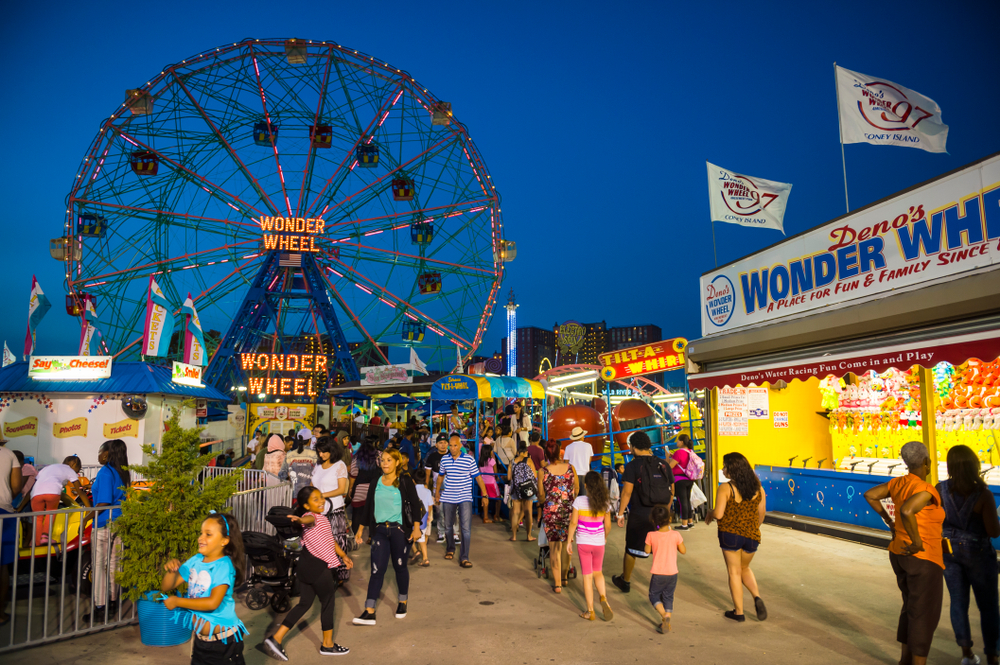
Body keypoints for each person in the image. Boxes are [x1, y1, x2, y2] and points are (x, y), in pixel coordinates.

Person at [864, 441, 945, 665]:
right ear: (927, 462)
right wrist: (917, 541)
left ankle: (905, 660)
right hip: (923, 558)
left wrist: (889, 521)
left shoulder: (898, 483)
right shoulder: (926, 489)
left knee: (910, 608)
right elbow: (907, 510)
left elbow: (870, 495)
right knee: (924, 614)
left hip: (899, 554)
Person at [264, 486, 353, 659]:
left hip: (305, 566)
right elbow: (307, 520)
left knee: (304, 604)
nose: (321, 501)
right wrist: (299, 520)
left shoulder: (321, 518)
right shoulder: (312, 517)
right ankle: (327, 645)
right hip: (318, 568)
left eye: (321, 497)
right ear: (306, 505)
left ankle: (276, 638)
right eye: (315, 499)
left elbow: (330, 540)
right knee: (328, 602)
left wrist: (343, 556)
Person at [936, 445, 1000, 665]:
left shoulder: (940, 489)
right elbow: (993, 531)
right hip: (978, 554)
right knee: (988, 606)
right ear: (974, 465)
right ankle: (992, 656)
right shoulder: (983, 494)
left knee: (958, 602)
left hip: (948, 551)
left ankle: (967, 655)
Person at [161, 512, 247, 665]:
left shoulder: (223, 566)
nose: (201, 538)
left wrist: (177, 601)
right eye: (201, 533)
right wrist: (171, 571)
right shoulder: (196, 560)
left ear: (224, 540)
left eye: (208, 534)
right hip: (201, 642)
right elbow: (167, 586)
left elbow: (212, 603)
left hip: (223, 643)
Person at [353, 449, 423, 625]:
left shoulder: (405, 480)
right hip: (380, 531)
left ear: (397, 462)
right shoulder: (376, 481)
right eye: (383, 460)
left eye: (389, 460)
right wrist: (360, 528)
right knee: (377, 570)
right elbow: (368, 506)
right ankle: (369, 611)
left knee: (400, 567)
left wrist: (416, 528)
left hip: (399, 531)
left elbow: (415, 505)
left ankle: (402, 601)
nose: (385, 463)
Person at [705, 451, 766, 623]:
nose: (723, 469)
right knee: (744, 568)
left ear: (733, 469)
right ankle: (756, 596)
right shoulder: (758, 489)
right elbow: (761, 514)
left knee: (734, 572)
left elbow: (719, 514)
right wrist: (751, 529)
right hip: (752, 536)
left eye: (725, 466)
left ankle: (739, 612)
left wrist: (710, 512)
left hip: (730, 535)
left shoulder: (726, 488)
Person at [612, 432, 672, 595]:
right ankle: (661, 585)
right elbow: (671, 490)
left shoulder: (632, 466)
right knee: (660, 549)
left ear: (633, 447)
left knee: (632, 547)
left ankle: (625, 581)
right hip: (661, 513)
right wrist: (666, 511)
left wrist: (620, 513)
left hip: (640, 513)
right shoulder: (663, 464)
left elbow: (627, 492)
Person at [85, 440, 130, 623]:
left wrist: (86, 519)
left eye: (100, 451)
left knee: (99, 567)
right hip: (119, 522)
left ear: (106, 453)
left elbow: (103, 502)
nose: (98, 455)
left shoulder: (105, 472)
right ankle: (112, 603)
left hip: (104, 523)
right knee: (114, 566)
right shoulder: (122, 472)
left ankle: (99, 607)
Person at [435, 433, 489, 567]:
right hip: (448, 496)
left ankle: (464, 557)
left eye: (455, 445)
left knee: (465, 529)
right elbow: (441, 476)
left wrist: (485, 494)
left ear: (460, 446)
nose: (452, 448)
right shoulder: (445, 459)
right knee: (448, 526)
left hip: (465, 497)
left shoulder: (469, 460)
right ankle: (450, 549)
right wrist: (437, 493)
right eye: (450, 445)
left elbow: (478, 477)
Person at [567, 471, 613, 622]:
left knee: (587, 576)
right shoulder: (605, 502)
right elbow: (608, 526)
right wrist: (604, 537)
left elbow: (573, 522)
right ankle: (603, 598)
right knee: (598, 572)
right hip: (599, 542)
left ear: (585, 485)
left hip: (583, 543)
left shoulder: (579, 501)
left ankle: (590, 611)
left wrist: (569, 540)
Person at [539, 439, 578, 592]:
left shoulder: (542, 471)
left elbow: (541, 496)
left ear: (546, 454)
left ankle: (557, 584)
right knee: (567, 543)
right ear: (559, 452)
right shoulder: (571, 468)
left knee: (554, 547)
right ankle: (564, 577)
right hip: (568, 511)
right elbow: (576, 489)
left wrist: (546, 501)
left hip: (551, 513)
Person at [645, 504, 686, 633]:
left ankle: (664, 616)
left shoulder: (651, 535)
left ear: (653, 520)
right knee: (668, 597)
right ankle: (666, 620)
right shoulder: (675, 534)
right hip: (673, 573)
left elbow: (647, 551)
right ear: (670, 519)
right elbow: (683, 550)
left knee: (654, 595)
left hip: (658, 573)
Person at [31, 455, 89, 545]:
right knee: (50, 513)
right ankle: (45, 537)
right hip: (52, 492)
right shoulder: (69, 470)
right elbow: (80, 491)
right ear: (74, 464)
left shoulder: (47, 468)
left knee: (38, 517)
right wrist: (89, 508)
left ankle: (36, 541)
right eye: (79, 468)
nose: (78, 472)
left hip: (35, 493)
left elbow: (35, 482)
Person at [312, 437, 353, 554]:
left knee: (336, 545)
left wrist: (321, 495)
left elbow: (341, 489)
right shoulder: (318, 465)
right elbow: (312, 483)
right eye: (319, 452)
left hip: (334, 511)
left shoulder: (339, 465)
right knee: (319, 545)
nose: (321, 455)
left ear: (332, 450)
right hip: (318, 511)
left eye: (324, 452)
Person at [0, 437, 22, 626]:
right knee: (3, 566)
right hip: (3, 513)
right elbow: (16, 486)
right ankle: (0, 614)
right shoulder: (9, 454)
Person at [349, 436, 381, 537]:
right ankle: (372, 537)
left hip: (360, 489)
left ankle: (355, 537)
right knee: (373, 514)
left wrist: (350, 488)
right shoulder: (379, 455)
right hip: (375, 488)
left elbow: (353, 474)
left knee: (357, 515)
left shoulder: (357, 456)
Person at [508, 442, 538, 542]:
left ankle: (514, 536)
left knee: (515, 512)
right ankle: (529, 536)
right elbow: (535, 475)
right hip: (527, 488)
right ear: (526, 452)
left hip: (516, 488)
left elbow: (509, 477)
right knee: (528, 511)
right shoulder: (529, 460)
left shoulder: (512, 461)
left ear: (518, 452)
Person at [668, 434, 697, 530]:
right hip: (689, 479)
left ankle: (684, 524)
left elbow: (670, 466)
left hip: (680, 480)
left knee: (682, 501)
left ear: (681, 442)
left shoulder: (679, 452)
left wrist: (668, 458)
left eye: (678, 440)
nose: (676, 442)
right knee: (687, 500)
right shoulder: (690, 452)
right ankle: (690, 522)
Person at [411, 472, 435, 567]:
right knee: (422, 538)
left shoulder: (411, 490)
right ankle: (425, 558)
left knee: (408, 537)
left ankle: (416, 551)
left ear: (413, 480)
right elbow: (430, 505)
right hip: (424, 518)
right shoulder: (428, 491)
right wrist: (428, 516)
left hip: (413, 518)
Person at [562, 427, 592, 495]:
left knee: (573, 496)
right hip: (585, 474)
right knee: (584, 497)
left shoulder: (568, 447)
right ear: (581, 436)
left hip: (573, 475)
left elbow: (566, 463)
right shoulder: (588, 446)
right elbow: (589, 461)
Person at [478, 443, 501, 523]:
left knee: (485, 499)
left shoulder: (480, 461)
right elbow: (495, 472)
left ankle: (485, 517)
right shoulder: (492, 460)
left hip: (483, 483)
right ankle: (496, 515)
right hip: (491, 482)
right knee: (499, 499)